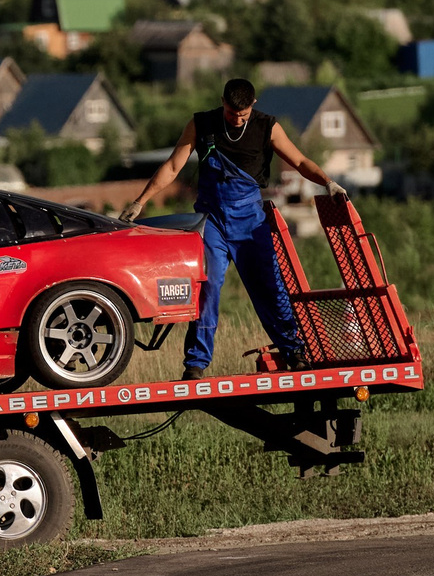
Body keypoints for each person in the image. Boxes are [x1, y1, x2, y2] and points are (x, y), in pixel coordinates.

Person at [119, 78, 335, 375]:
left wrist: (328, 183)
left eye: (243, 114)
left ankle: (293, 351)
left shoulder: (267, 127)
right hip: (212, 223)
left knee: (270, 288)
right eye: (232, 113)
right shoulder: (201, 124)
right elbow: (171, 167)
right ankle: (196, 363)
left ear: (253, 105)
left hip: (250, 223)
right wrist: (140, 202)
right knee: (207, 286)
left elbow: (299, 161)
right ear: (223, 102)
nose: (237, 119)